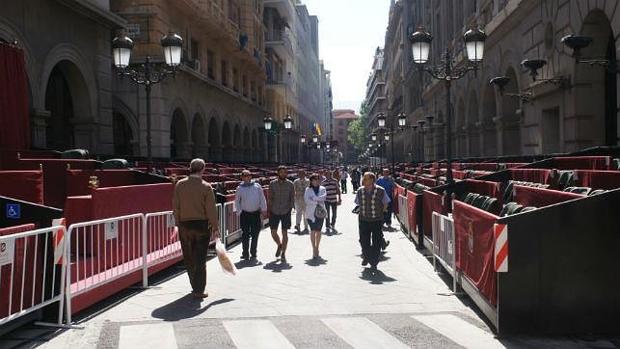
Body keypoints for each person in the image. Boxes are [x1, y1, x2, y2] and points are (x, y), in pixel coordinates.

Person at [172, 159, 220, 299]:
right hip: (201, 225)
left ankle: (194, 284)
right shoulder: (206, 186)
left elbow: (176, 206)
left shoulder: (180, 185)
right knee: (200, 258)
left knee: (188, 257)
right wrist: (215, 227)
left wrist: (178, 223)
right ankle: (199, 289)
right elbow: (211, 209)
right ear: (203, 169)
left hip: (184, 225)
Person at [355, 172, 390, 270]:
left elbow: (386, 202)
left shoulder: (380, 190)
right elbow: (357, 202)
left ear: (372, 180)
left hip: (376, 220)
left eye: (365, 178)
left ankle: (374, 261)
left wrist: (381, 211)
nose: (363, 180)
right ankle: (367, 256)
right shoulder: (360, 190)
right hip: (363, 219)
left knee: (377, 241)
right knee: (363, 240)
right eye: (363, 178)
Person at [234, 170, 267, 260]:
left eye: (248, 175)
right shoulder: (240, 188)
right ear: (242, 177)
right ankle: (245, 253)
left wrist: (264, 209)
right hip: (245, 214)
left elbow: (262, 198)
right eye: (244, 176)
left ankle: (253, 252)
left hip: (255, 213)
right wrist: (239, 211)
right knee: (245, 234)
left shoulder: (257, 186)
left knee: (255, 234)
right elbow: (237, 201)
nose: (247, 177)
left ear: (251, 176)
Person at [268, 166, 295, 262]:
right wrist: (270, 208)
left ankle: (283, 252)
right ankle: (279, 245)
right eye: (281, 172)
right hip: (274, 210)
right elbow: (270, 197)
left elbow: (292, 197)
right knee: (273, 232)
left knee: (285, 233)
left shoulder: (290, 184)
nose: (283, 174)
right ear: (278, 173)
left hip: (286, 210)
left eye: (285, 172)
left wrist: (291, 207)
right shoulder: (272, 184)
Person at [304, 174, 327, 259]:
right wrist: (316, 200)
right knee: (312, 230)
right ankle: (314, 248)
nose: (316, 181)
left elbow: (323, 198)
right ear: (311, 181)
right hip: (310, 212)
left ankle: (317, 246)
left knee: (319, 231)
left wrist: (313, 198)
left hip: (320, 212)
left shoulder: (323, 188)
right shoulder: (307, 189)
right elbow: (306, 200)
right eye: (314, 179)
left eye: (318, 179)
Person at [293, 169, 310, 234]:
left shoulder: (308, 181)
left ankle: (306, 227)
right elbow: (294, 190)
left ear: (304, 174)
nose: (301, 175)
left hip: (305, 200)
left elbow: (309, 190)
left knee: (305, 214)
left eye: (302, 173)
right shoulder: (296, 181)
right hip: (298, 199)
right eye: (299, 173)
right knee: (298, 213)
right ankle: (298, 225)